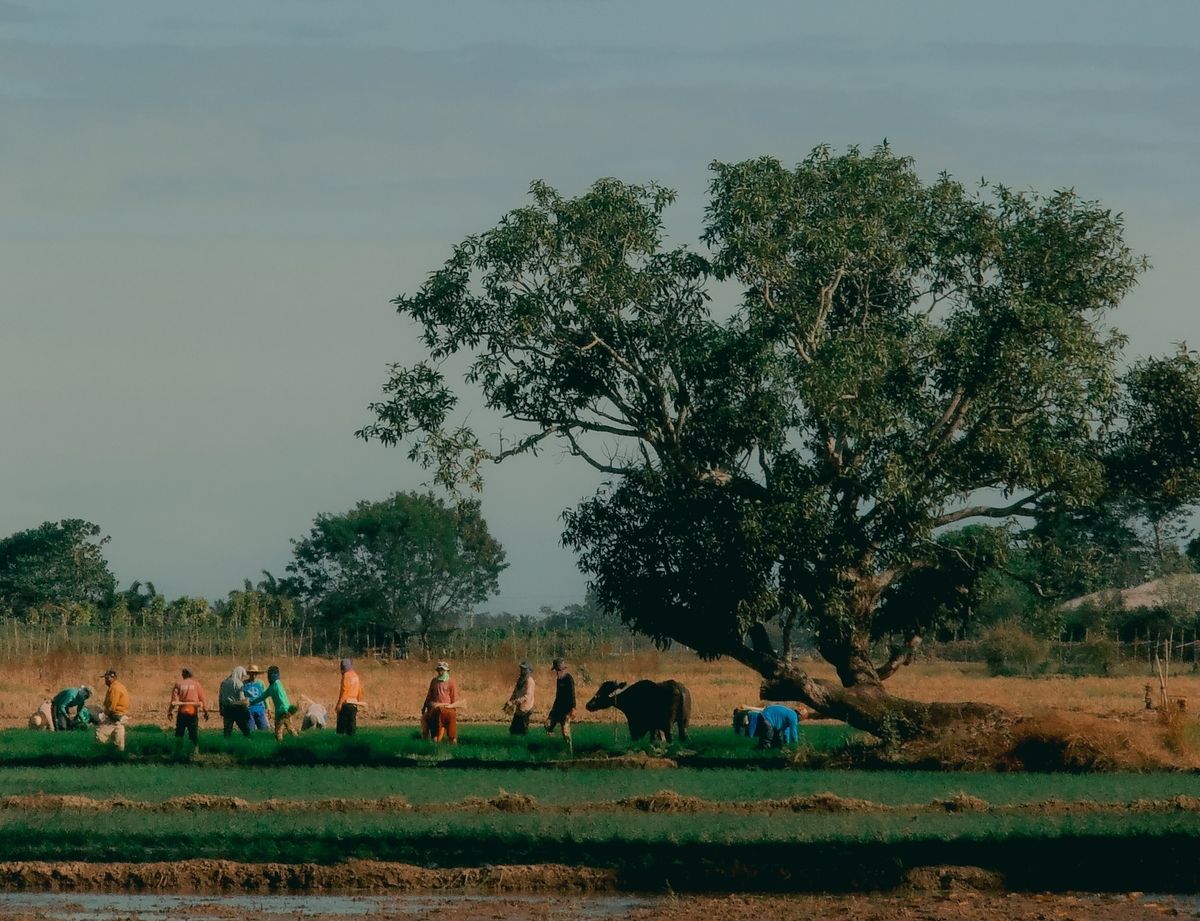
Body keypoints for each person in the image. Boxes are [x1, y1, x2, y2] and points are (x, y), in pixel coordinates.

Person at [244, 665, 299, 741]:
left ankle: (281, 746)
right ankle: (297, 742)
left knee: (279, 733)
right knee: (290, 728)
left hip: (282, 712)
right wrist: (252, 702)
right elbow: (263, 696)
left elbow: (279, 697)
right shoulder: (275, 685)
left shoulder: (275, 685)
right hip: (285, 711)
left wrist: (252, 702)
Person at [167, 667, 210, 753]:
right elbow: (202, 699)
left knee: (179, 733)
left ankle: (178, 752)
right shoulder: (196, 684)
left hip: (182, 711)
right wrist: (206, 711)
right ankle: (195, 752)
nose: (181, 675)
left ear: (184, 674)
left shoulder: (178, 684)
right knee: (193, 733)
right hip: (192, 711)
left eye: (182, 674)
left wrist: (170, 711)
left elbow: (174, 701)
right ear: (191, 675)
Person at [421, 661, 459, 743]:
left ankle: (452, 745)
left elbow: (453, 697)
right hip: (436, 708)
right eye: (439, 669)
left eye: (442, 669)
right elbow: (429, 695)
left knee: (452, 734)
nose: (440, 671)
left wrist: (453, 708)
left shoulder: (451, 682)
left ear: (446, 671)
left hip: (447, 708)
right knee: (434, 732)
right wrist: (425, 706)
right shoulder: (434, 681)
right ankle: (434, 745)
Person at [95, 669, 130, 751]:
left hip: (114, 715)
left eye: (107, 678)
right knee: (118, 734)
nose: (106, 680)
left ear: (113, 678)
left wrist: (104, 715)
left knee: (99, 735)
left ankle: (99, 752)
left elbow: (112, 705)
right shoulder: (118, 686)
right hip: (120, 715)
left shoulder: (114, 688)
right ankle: (119, 753)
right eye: (105, 678)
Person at [545, 657, 576, 751]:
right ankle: (553, 746)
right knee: (547, 725)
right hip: (558, 708)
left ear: (562, 669)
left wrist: (573, 708)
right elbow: (558, 697)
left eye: (558, 670)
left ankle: (569, 750)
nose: (557, 672)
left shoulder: (568, 679)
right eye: (556, 671)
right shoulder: (558, 680)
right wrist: (552, 712)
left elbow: (572, 695)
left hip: (567, 709)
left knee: (565, 731)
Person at [503, 661, 535, 735]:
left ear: (528, 670)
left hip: (526, 709)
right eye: (521, 668)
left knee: (523, 731)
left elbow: (527, 697)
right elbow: (515, 692)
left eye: (524, 669)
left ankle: (523, 745)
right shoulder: (520, 680)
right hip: (519, 709)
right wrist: (509, 701)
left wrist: (513, 702)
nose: (521, 670)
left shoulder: (530, 681)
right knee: (513, 731)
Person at [218, 665, 251, 738]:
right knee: (245, 729)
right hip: (237, 709)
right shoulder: (238, 683)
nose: (243, 677)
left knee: (227, 731)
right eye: (243, 675)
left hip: (227, 709)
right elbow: (241, 698)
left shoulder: (224, 682)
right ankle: (249, 741)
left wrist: (220, 709)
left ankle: (226, 744)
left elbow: (220, 697)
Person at [335, 658, 364, 736]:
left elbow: (344, 691)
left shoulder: (346, 676)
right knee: (351, 725)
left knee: (342, 726)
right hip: (354, 703)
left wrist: (339, 704)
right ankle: (351, 741)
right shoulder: (356, 676)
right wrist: (358, 702)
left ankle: (341, 741)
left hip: (346, 703)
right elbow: (360, 691)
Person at [243, 665, 269, 732]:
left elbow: (265, 696)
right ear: (249, 674)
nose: (253, 675)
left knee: (264, 729)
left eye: (255, 673)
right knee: (250, 730)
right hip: (248, 710)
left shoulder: (261, 683)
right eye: (252, 673)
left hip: (260, 709)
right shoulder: (244, 683)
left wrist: (268, 707)